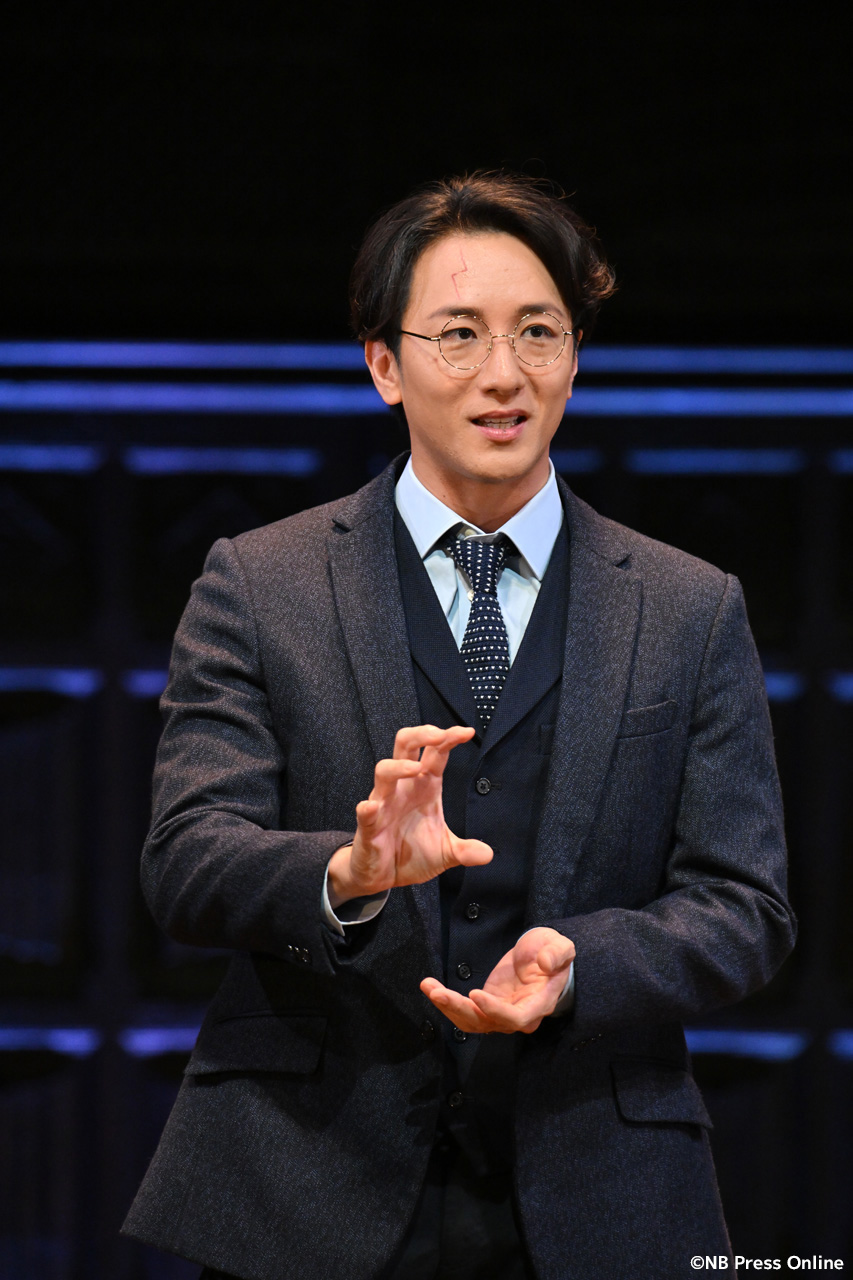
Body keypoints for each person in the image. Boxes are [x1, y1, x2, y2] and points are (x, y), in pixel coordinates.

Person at [122, 172, 796, 1280]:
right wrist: (345, 873)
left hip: (595, 1193)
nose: (503, 373)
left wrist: (580, 964)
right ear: (383, 365)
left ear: (573, 356)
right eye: (459, 334)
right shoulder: (261, 582)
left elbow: (745, 906)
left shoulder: (687, 607)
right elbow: (186, 859)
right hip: (301, 1184)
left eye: (538, 332)